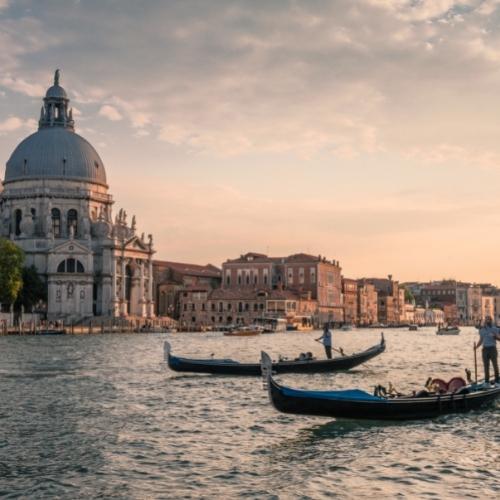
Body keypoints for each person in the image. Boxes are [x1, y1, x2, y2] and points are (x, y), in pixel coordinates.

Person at [475, 316, 500, 385]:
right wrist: (476, 347)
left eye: (488, 320)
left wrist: (495, 337)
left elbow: (499, 338)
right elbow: (481, 340)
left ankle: (497, 380)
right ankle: (486, 381)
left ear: (491, 321)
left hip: (492, 349)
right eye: (486, 320)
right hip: (485, 349)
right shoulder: (481, 330)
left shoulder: (494, 329)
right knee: (486, 366)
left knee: (495, 365)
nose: (487, 321)